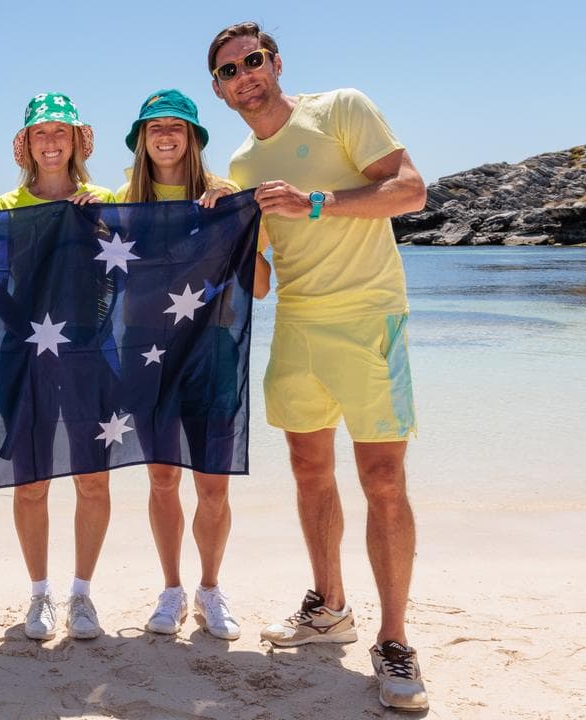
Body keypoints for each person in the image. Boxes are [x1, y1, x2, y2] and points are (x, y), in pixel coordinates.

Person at [209, 21, 429, 711]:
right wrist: (218, 232)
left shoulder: (340, 109)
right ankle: (329, 607)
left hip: (370, 316)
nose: (244, 76)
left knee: (383, 479)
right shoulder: (241, 165)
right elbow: (261, 282)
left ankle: (394, 640)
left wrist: (318, 203)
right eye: (228, 71)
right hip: (297, 324)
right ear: (218, 90)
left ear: (275, 63)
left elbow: (411, 191)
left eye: (252, 61)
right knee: (309, 470)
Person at [115, 89, 269, 642]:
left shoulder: (224, 197)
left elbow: (262, 286)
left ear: (194, 137)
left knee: (213, 485)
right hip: (147, 353)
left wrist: (238, 221)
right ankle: (171, 589)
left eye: (176, 125)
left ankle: (210, 589)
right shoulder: (121, 202)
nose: (165, 135)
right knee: (162, 478)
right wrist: (77, 219)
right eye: (154, 126)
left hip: (212, 350)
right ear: (141, 139)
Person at [0, 93, 116, 641]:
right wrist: (27, 331)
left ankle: (81, 594)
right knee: (31, 483)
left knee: (92, 479)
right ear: (26, 143)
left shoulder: (104, 200)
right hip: (26, 359)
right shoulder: (6, 203)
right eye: (40, 132)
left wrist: (100, 225)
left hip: (90, 357)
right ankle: (39, 593)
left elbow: (127, 272)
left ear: (75, 141)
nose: (50, 142)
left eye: (60, 132)